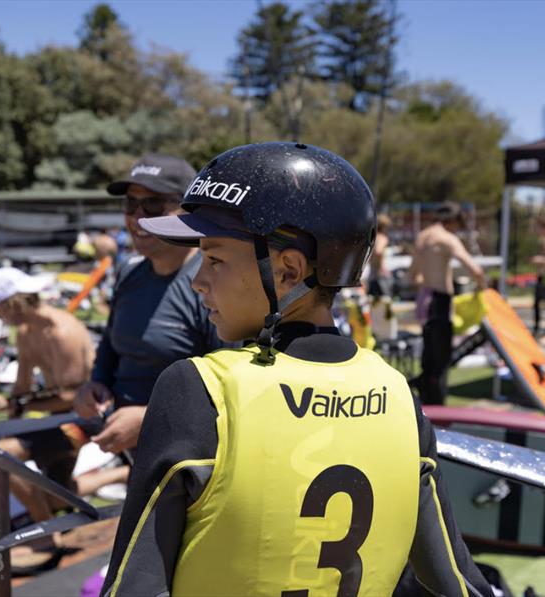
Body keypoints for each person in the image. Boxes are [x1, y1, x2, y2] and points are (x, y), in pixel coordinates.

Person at [100, 142, 494, 597]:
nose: (198, 281)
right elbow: (458, 583)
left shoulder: (199, 390)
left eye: (215, 259)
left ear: (288, 270)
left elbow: (132, 587)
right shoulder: (398, 393)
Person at [73, 154, 233, 456]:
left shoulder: (211, 281)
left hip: (182, 452)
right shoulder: (129, 271)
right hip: (114, 436)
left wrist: (149, 419)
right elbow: (110, 344)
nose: (138, 217)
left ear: (188, 210)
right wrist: (95, 386)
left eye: (153, 205)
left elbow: (229, 389)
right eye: (131, 205)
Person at [0, 267, 110, 569]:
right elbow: (23, 387)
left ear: (13, 303)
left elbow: (74, 396)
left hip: (83, 416)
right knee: (54, 497)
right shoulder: (27, 331)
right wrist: (7, 404)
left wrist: (24, 405)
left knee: (2, 456)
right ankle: (122, 477)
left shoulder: (61, 332)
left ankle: (46, 537)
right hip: (59, 415)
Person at [409, 201, 486, 405]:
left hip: (424, 300)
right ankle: (439, 408)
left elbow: (412, 275)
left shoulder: (422, 237)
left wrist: (426, 286)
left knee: (428, 357)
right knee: (441, 362)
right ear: (451, 220)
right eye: (458, 224)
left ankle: (425, 403)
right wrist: (482, 289)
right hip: (440, 301)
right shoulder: (447, 238)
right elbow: (475, 269)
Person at [367, 213, 392, 301]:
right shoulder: (382, 238)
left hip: (372, 274)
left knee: (374, 304)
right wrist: (379, 268)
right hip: (380, 275)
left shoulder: (373, 238)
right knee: (384, 303)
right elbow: (378, 251)